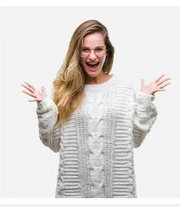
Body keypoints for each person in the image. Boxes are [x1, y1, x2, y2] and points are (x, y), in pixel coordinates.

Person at [21, 19, 170, 197]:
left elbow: (135, 140)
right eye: (85, 50)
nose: (92, 56)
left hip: (119, 195)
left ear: (107, 52)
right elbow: (53, 144)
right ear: (77, 53)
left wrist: (145, 100)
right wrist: (45, 107)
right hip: (73, 195)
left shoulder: (123, 89)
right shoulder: (64, 90)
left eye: (98, 49)